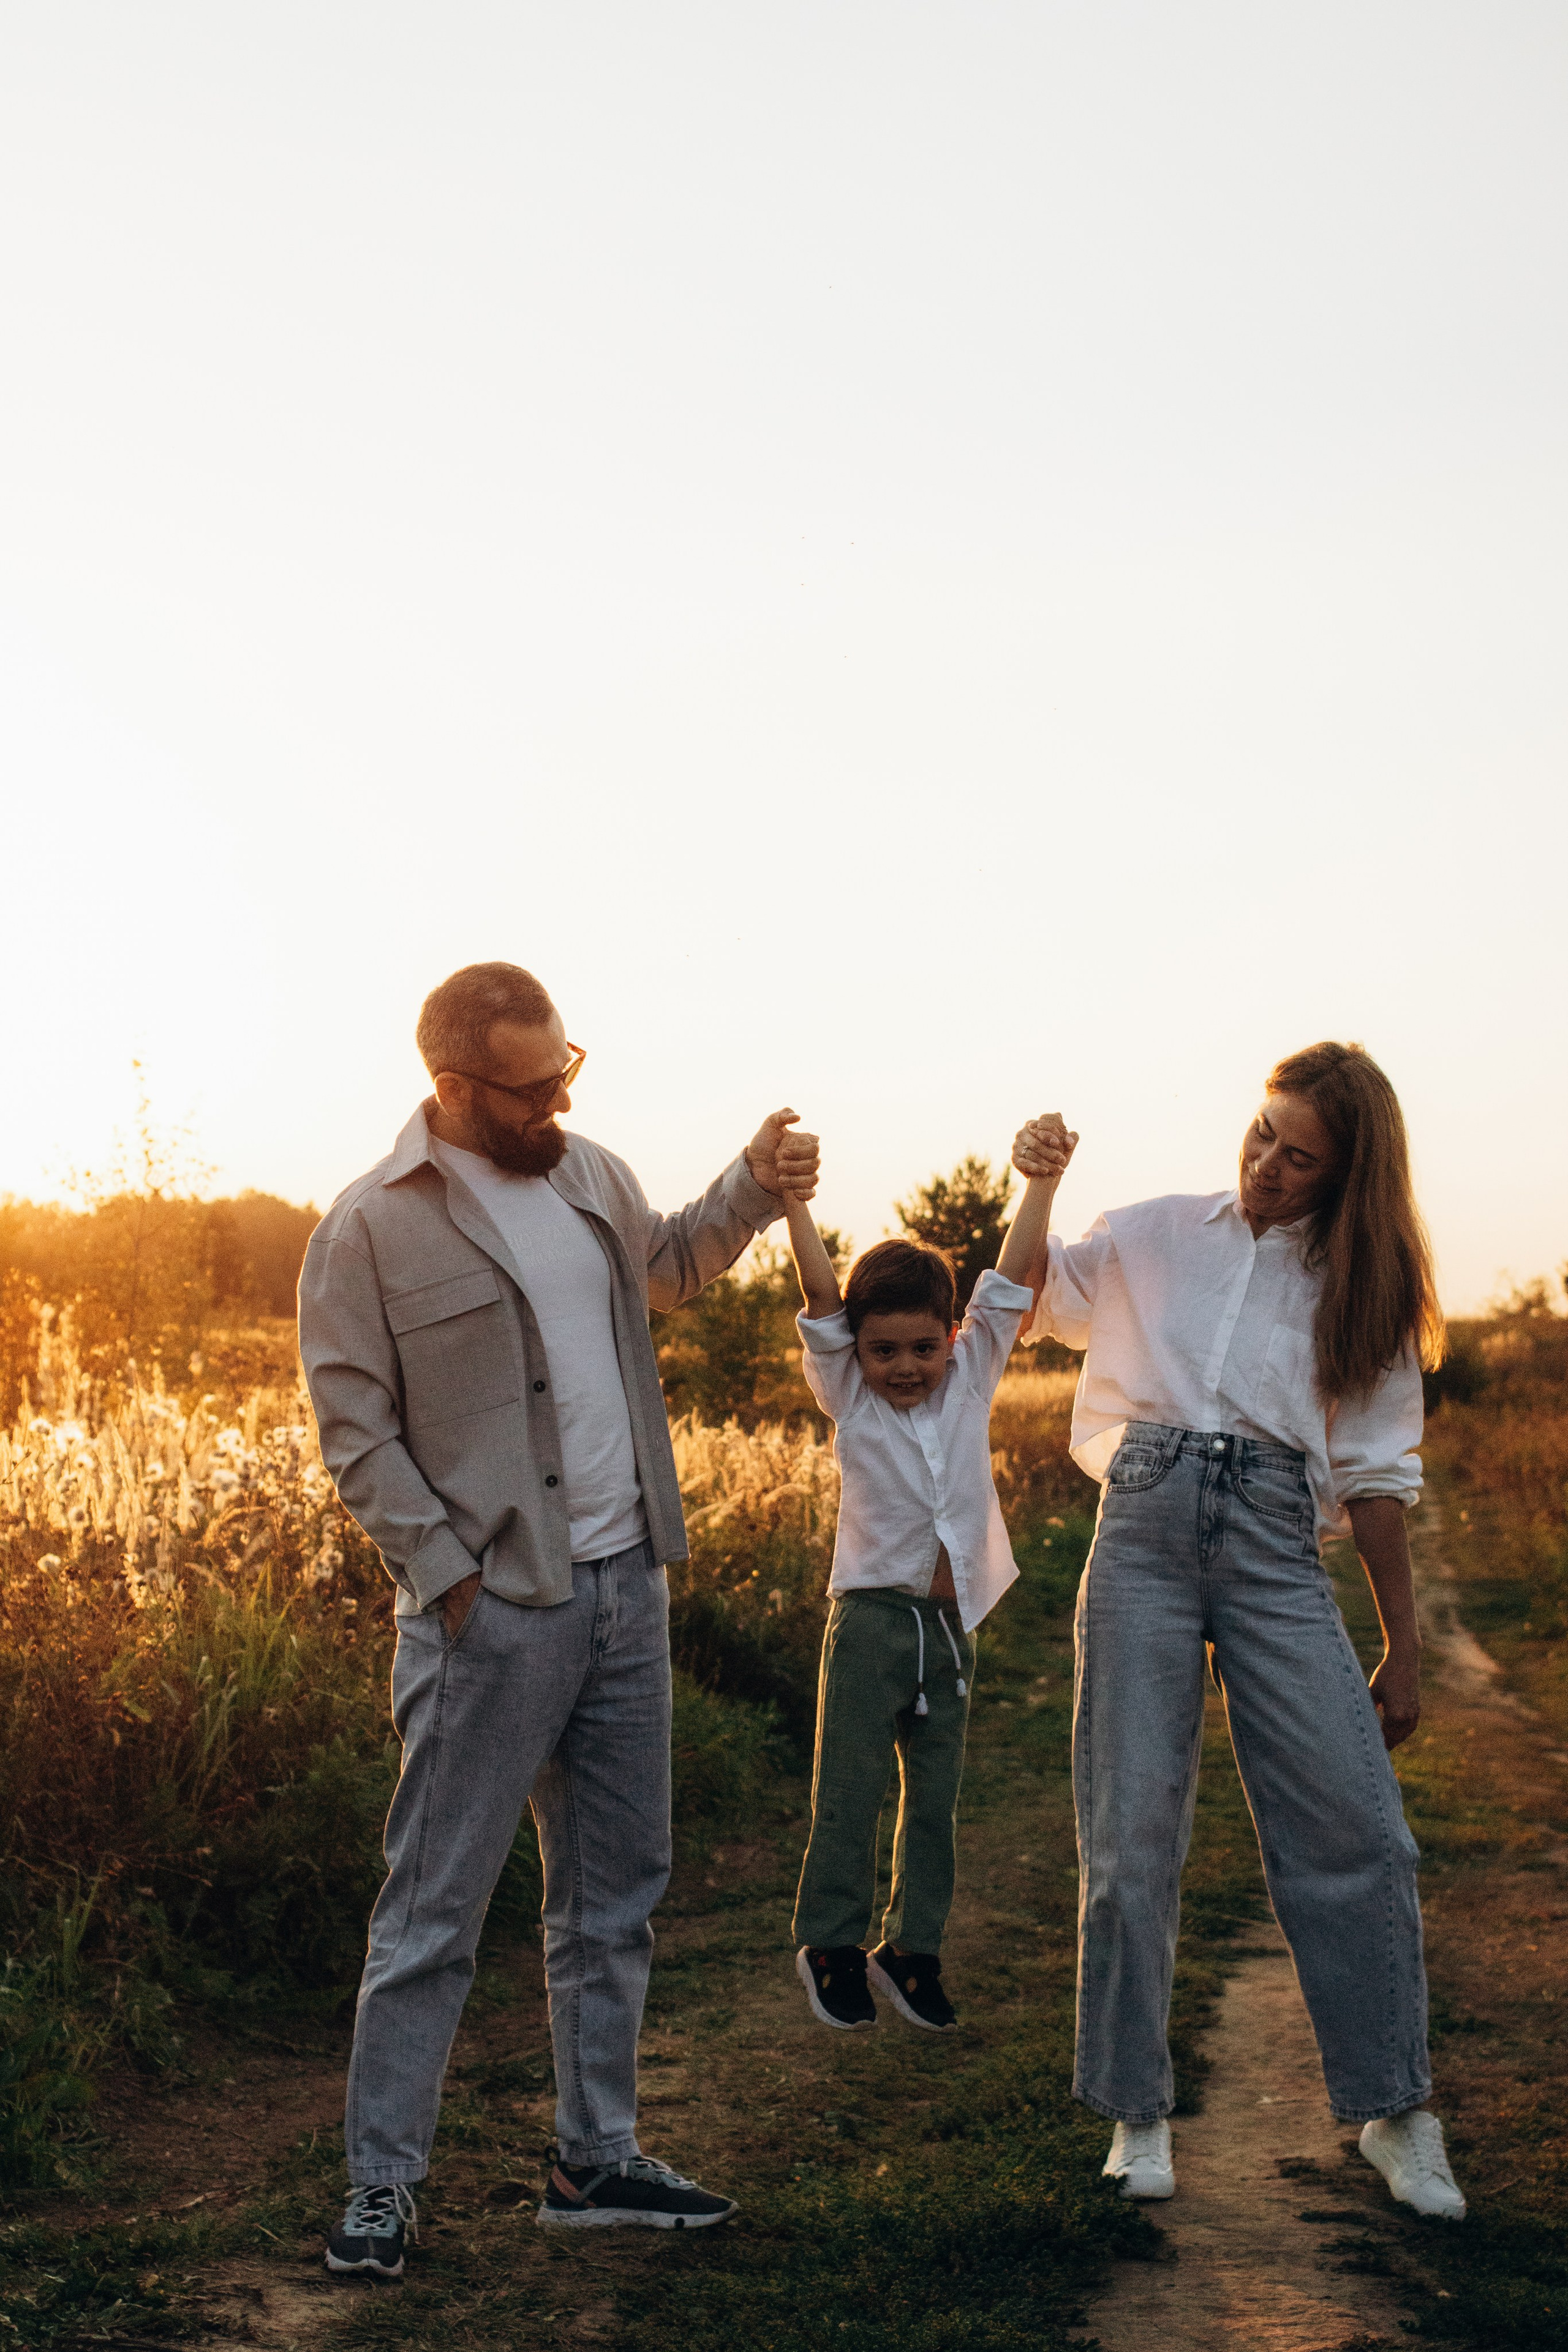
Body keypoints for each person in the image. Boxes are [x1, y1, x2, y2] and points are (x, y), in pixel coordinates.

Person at [298, 962, 820, 2277]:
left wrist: (753, 1183)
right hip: (492, 1615)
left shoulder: (590, 1176)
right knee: (433, 1909)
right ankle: (381, 2186)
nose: (559, 1103)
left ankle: (594, 2159)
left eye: (566, 1072)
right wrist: (449, 1581)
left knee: (612, 1898)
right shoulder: (367, 1229)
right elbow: (355, 1439)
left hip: (625, 1589)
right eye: (532, 1089)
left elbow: (673, 1268)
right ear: (452, 1086)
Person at [1012, 1041, 1466, 2220]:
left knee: (1363, 1834)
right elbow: (1024, 1304)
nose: (1266, 1165)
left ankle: (1394, 2112)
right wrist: (1038, 1185)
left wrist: (1401, 1647)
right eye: (1262, 1133)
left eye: (1299, 1156)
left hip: (1274, 1540)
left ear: (1347, 1173)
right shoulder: (1154, 1230)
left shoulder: (1366, 1287)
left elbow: (1376, 1476)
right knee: (1130, 1835)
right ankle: (1137, 2114)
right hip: (1144, 1525)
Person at [781, 1115, 1077, 2034]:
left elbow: (1007, 1277)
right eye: (882, 1351)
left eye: (922, 1347)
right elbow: (823, 1293)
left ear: (952, 1338)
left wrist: (1041, 1183)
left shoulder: (974, 1372)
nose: (904, 1367)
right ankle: (829, 1942)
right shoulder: (849, 1398)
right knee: (852, 1790)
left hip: (952, 1628)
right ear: (854, 1352)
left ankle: (912, 1951)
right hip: (872, 1620)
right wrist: (795, 1201)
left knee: (936, 1802)